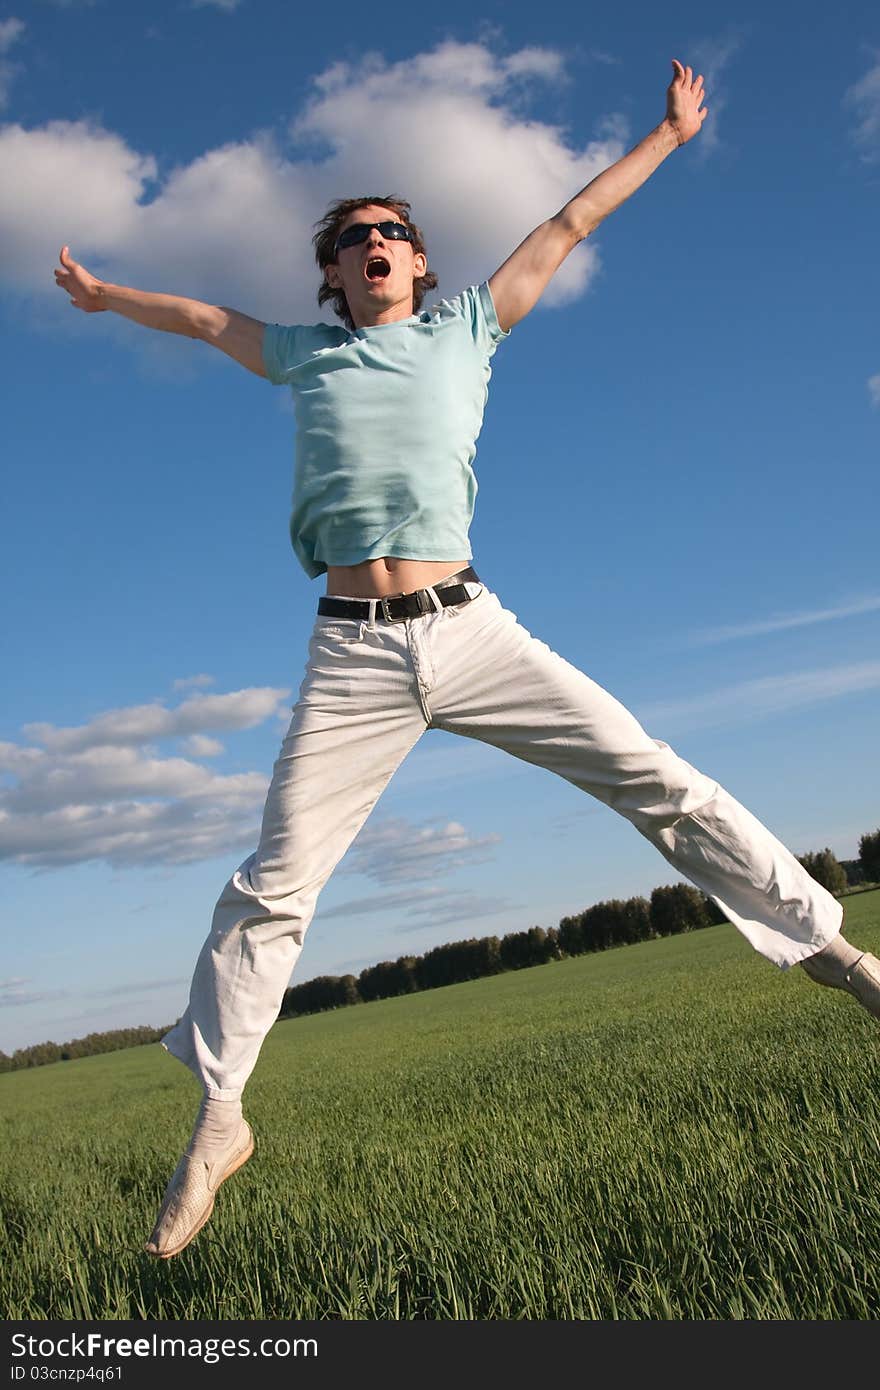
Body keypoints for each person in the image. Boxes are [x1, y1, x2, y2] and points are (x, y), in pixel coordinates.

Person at [55, 60, 880, 1260]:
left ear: (419, 263)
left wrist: (666, 133)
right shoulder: (303, 353)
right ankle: (219, 1118)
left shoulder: (468, 326)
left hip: (471, 627)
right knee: (271, 886)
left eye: (394, 231)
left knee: (655, 777)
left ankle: (834, 950)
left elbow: (568, 223)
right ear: (334, 275)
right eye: (355, 237)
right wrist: (102, 294)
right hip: (350, 656)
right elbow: (196, 318)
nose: (378, 242)